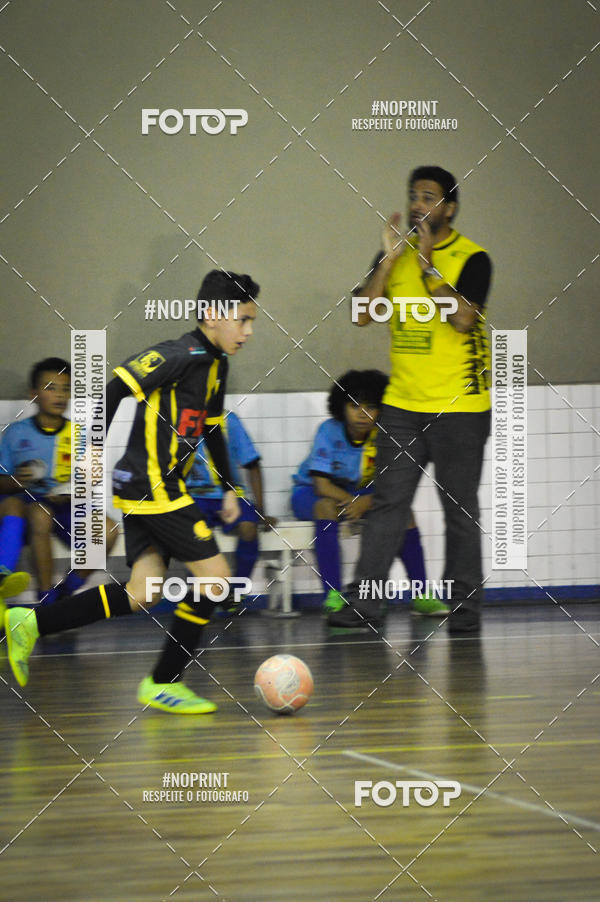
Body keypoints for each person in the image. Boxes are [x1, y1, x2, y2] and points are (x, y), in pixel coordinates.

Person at [5, 271, 259, 713]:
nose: (249, 331)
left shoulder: (218, 365)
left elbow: (212, 429)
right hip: (151, 485)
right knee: (217, 580)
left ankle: (28, 622)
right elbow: (113, 389)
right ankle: (164, 682)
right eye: (243, 319)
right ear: (212, 316)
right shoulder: (177, 354)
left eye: (252, 321)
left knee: (144, 591)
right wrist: (92, 452)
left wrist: (230, 487)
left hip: (151, 486)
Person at [328, 165, 492, 633]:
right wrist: (387, 260)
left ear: (450, 208)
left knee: (459, 510)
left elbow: (463, 319)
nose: (418, 204)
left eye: (428, 196)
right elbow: (361, 315)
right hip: (402, 406)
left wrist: (426, 266)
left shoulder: (473, 258)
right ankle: (366, 604)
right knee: (387, 504)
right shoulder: (395, 256)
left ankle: (464, 609)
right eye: (413, 196)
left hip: (461, 408)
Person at [291, 369, 446, 615]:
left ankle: (422, 595)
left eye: (371, 407)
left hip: (360, 493)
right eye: (354, 406)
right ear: (341, 407)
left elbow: (394, 487)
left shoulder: (385, 436)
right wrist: (355, 501)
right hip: (312, 492)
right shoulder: (328, 431)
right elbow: (321, 485)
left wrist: (365, 502)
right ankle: (333, 595)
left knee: (405, 514)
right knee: (325, 508)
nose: (362, 414)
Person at [0, 358, 118, 621]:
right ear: (34, 394)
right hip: (29, 507)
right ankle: (46, 599)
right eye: (51, 388)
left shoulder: (79, 434)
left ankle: (67, 590)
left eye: (65, 389)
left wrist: (74, 491)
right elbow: (2, 480)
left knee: (108, 530)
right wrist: (18, 480)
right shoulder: (16, 433)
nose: (60, 395)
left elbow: (88, 481)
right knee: (40, 513)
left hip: (67, 506)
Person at [186, 409, 276, 613]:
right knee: (193, 532)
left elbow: (252, 465)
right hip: (194, 496)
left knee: (248, 527)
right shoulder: (179, 420)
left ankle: (236, 591)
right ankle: (200, 595)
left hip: (230, 495)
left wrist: (260, 511)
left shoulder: (229, 421)